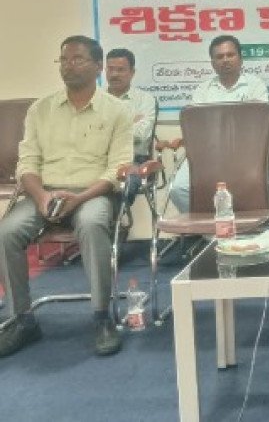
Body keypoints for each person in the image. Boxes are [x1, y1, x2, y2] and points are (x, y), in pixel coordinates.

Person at [0, 36, 132, 357]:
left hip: (93, 193)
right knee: (6, 232)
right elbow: (27, 163)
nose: (68, 66)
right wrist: (41, 196)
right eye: (63, 60)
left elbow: (118, 169)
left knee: (92, 224)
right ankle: (22, 319)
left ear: (97, 66)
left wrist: (79, 198)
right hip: (44, 193)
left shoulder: (117, 111)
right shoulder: (40, 109)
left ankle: (102, 317)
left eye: (77, 59)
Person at [168, 35, 269, 211]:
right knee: (179, 189)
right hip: (208, 153)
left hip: (246, 152)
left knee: (247, 187)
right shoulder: (203, 90)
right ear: (213, 63)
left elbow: (259, 124)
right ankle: (210, 224)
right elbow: (196, 128)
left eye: (230, 55)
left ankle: (231, 222)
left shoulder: (255, 85)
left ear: (240, 59)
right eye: (220, 57)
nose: (225, 60)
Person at [105, 48, 157, 164]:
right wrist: (130, 123)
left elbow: (141, 135)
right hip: (100, 160)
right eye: (110, 69)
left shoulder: (145, 99)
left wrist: (105, 129)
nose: (114, 74)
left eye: (120, 70)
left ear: (132, 72)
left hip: (133, 161)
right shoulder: (97, 98)